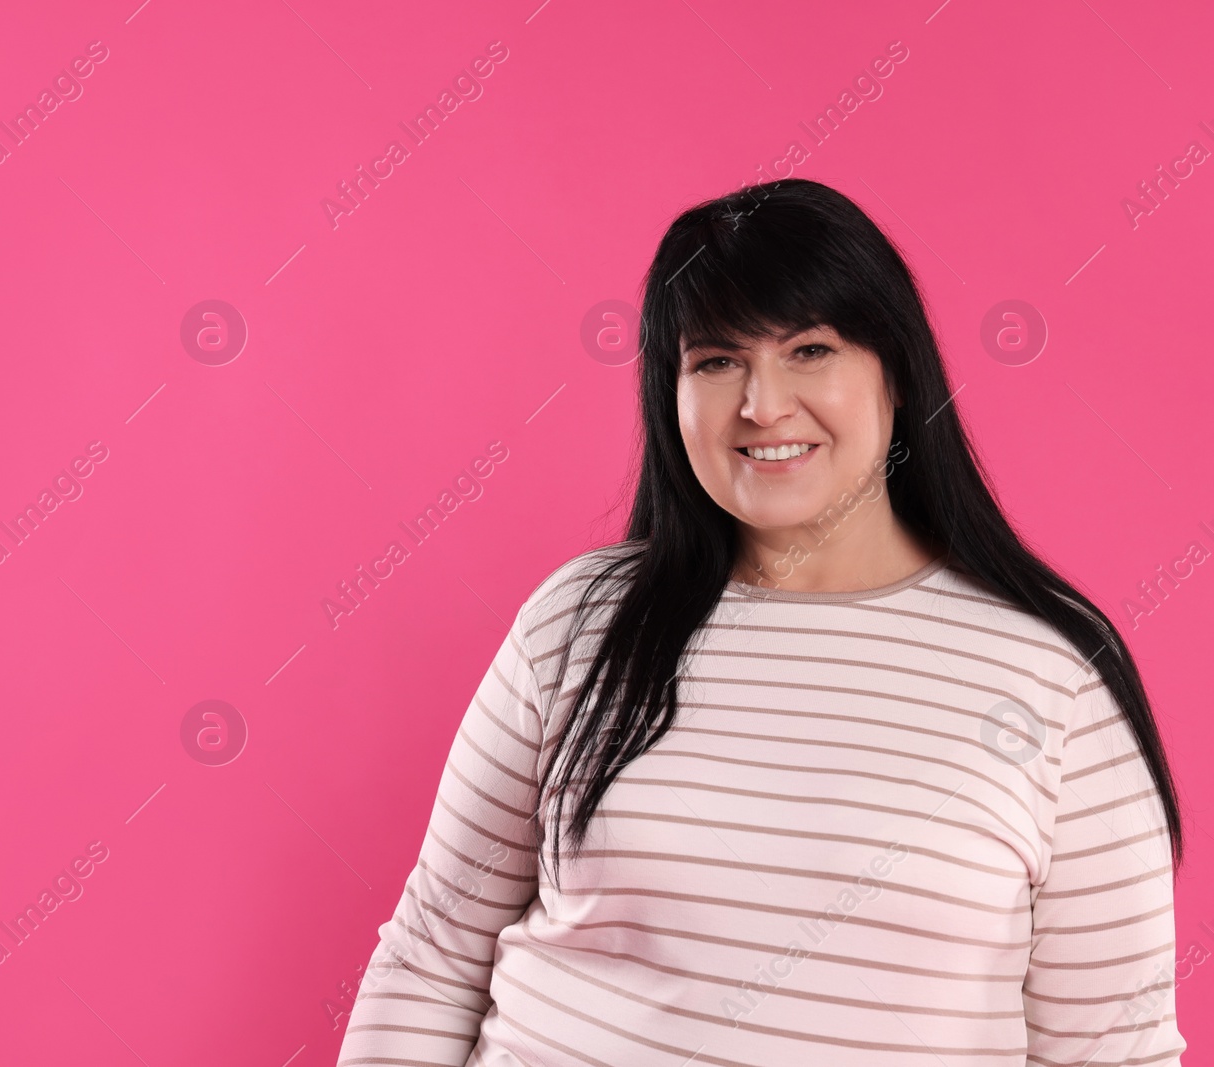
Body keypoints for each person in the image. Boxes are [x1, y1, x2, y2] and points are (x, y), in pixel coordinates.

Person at [333, 178, 1186, 1066]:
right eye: (715, 361)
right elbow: (433, 953)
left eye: (810, 349)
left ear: (895, 373)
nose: (762, 406)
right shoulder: (576, 623)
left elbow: (1113, 1051)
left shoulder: (1055, 670)